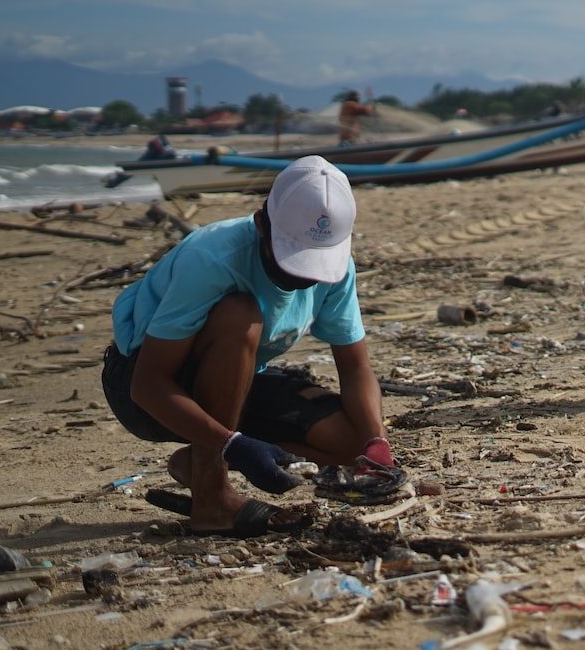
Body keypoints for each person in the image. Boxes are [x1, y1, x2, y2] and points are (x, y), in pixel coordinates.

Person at [102, 156, 401, 536]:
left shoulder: (339, 268)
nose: (302, 277)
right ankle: (212, 498)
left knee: (349, 440)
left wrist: (376, 444)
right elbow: (148, 386)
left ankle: (196, 461)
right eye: (292, 262)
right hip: (145, 386)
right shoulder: (212, 257)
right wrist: (232, 445)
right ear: (262, 224)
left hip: (237, 379)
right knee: (242, 315)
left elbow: (356, 368)